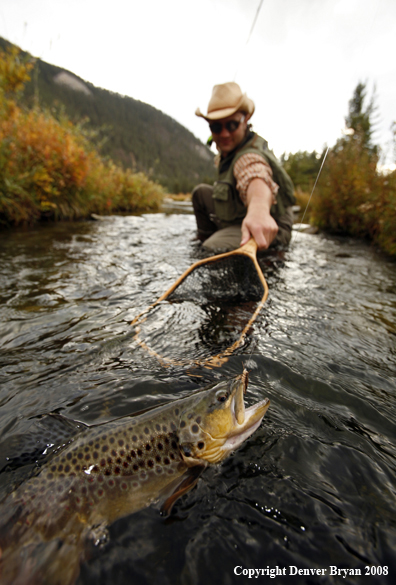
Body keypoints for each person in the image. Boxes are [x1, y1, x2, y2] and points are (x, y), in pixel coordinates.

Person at [193, 82, 295, 251]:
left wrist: (259, 210)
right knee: (201, 193)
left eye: (232, 124)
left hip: (273, 222)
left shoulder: (249, 155)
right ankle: (212, 234)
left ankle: (228, 243)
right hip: (241, 213)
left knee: (212, 247)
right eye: (216, 126)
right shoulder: (227, 151)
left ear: (245, 119)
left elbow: (254, 173)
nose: (224, 133)